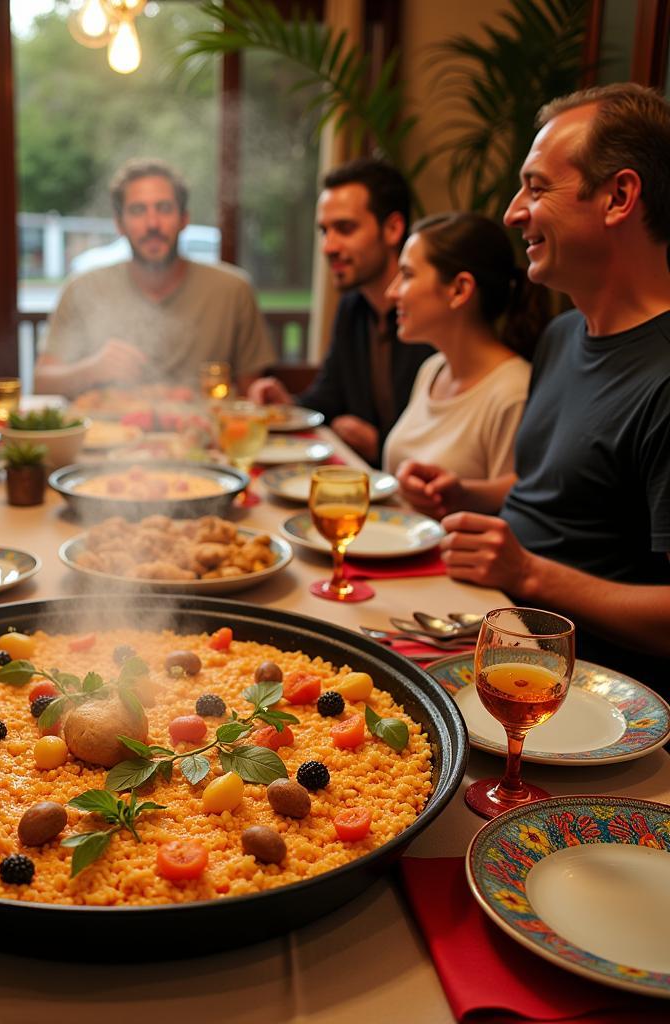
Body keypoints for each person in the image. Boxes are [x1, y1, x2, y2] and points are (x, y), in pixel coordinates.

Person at [441, 83, 670, 691]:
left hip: (600, 702)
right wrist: (464, 492)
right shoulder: (562, 334)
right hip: (490, 633)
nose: (515, 211)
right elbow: (562, 486)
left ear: (619, 197)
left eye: (536, 187)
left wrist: (531, 575)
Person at [34, 158, 275, 397]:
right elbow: (40, 383)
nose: (152, 223)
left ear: (184, 219)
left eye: (164, 208)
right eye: (138, 211)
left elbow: (250, 397)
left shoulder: (232, 290)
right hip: (109, 432)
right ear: (120, 224)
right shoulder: (83, 289)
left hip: (205, 430)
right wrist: (91, 371)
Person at [248, 159, 434, 466]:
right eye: (324, 231)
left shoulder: (430, 311)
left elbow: (452, 437)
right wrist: (287, 404)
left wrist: (383, 444)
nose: (328, 246)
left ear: (392, 229)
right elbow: (327, 399)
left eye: (344, 229)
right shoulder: (354, 306)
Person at [381, 212, 536, 518]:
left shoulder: (512, 393)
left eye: (408, 275)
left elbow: (514, 515)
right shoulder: (432, 370)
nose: (392, 291)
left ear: (460, 290)